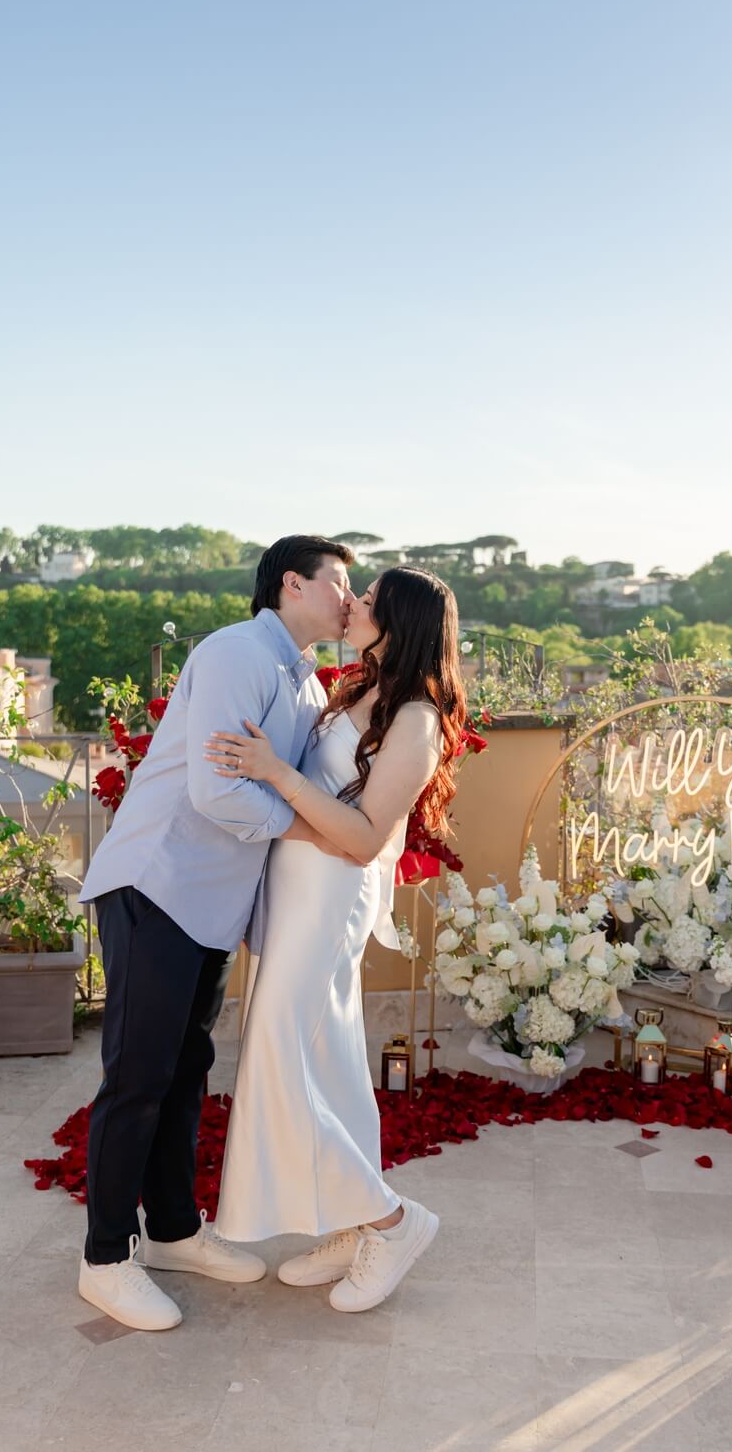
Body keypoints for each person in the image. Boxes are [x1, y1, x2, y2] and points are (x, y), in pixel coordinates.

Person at [76, 535, 356, 1331]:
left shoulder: (300, 677)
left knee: (186, 1066)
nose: (348, 597)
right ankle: (104, 1258)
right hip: (158, 883)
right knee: (136, 1078)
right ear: (291, 584)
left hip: (209, 904)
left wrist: (289, 811)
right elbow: (214, 790)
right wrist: (301, 824)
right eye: (339, 582)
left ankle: (169, 1231)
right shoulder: (238, 652)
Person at [206, 566, 466, 1312]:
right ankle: (353, 1225)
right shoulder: (359, 690)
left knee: (280, 1061)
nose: (352, 605)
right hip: (297, 894)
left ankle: (393, 1220)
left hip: (328, 896)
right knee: (325, 1061)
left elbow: (360, 838)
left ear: (403, 623)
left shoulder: (414, 719)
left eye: (371, 602)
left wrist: (275, 775)